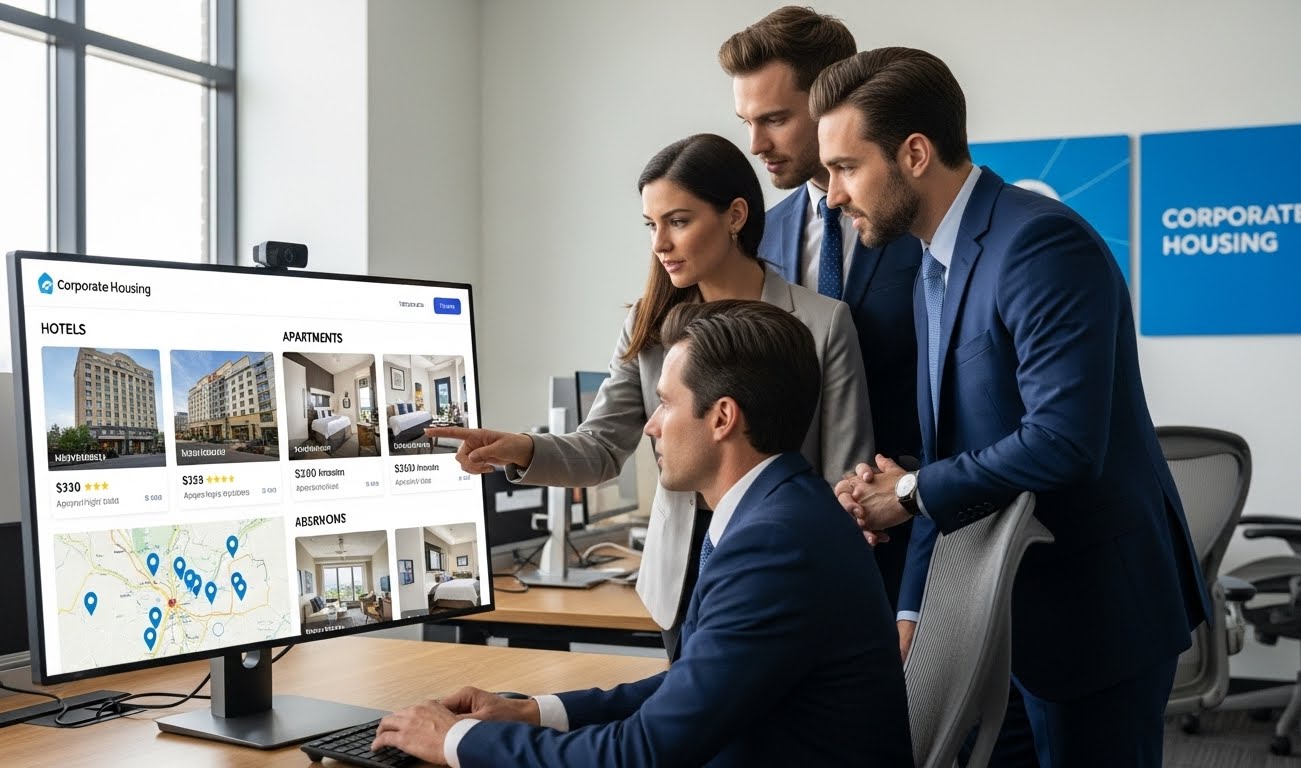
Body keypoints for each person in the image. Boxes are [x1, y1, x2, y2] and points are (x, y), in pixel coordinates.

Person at [814, 47, 1209, 766]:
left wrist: (906, 492)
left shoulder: (1037, 242)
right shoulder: (931, 263)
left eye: (844, 168)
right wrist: (911, 608)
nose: (833, 196)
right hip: (1004, 620)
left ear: (912, 153)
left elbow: (1061, 440)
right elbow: (956, 450)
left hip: (1093, 618)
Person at [373, 300, 912, 767]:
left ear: (722, 417)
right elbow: (693, 690)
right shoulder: (784, 511)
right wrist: (533, 711)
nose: (651, 425)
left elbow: (642, 753)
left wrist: (456, 740)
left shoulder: (774, 544)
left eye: (667, 403)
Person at [428, 133, 874, 658]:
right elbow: (600, 449)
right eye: (652, 224)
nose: (659, 243)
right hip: (682, 577)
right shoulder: (648, 325)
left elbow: (843, 477)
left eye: (678, 221)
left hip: (784, 572)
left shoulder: (823, 324)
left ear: (734, 215)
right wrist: (522, 448)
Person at [719, 6, 921, 610]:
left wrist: (900, 489)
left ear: (835, 96)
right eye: (747, 122)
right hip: (792, 548)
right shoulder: (757, 237)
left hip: (916, 536)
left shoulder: (922, 221)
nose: (756, 145)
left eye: (776, 119)